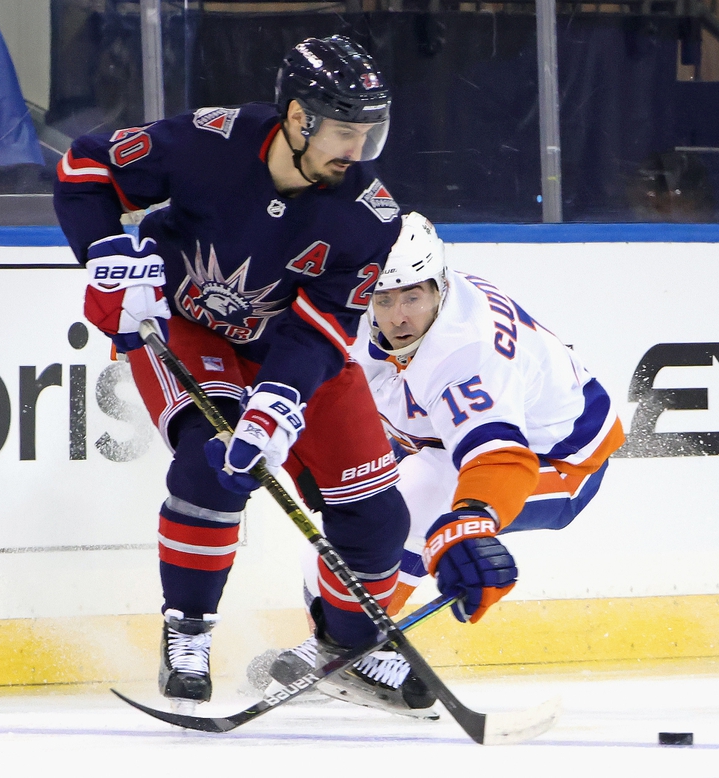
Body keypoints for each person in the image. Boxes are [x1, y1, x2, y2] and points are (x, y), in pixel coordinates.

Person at [53, 35, 432, 714]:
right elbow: (85, 167)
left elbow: (318, 329)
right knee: (210, 461)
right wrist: (107, 248)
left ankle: (348, 647)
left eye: (370, 133)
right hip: (185, 322)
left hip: (287, 348)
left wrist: (277, 404)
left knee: (378, 521)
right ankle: (188, 633)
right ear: (296, 118)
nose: (358, 150)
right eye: (345, 131)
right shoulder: (210, 140)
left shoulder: (371, 216)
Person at [267, 213, 624, 692]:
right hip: (437, 443)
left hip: (555, 462)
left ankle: (357, 646)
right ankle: (332, 640)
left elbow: (497, 457)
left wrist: (474, 518)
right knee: (355, 520)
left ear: (439, 286)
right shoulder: (352, 312)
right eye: (384, 298)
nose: (397, 316)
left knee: (428, 488)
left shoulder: (465, 352)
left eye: (412, 296)